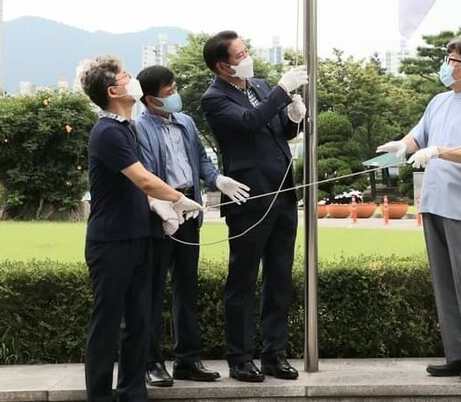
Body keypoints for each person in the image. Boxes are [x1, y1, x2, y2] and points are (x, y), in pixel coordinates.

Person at [376, 38, 461, 383]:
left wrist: (439, 151)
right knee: (444, 282)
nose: (445, 65)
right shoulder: (438, 101)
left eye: (451, 60)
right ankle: (459, 353)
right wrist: (401, 146)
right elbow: (418, 136)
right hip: (434, 202)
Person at [79, 55, 203, 402]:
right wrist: (179, 198)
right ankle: (100, 395)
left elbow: (139, 189)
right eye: (126, 76)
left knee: (139, 320)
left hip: (139, 237)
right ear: (113, 90)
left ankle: (133, 392)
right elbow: (144, 180)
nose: (132, 80)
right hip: (111, 242)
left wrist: (161, 207)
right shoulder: (108, 132)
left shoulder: (128, 127)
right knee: (108, 322)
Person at [200, 31, 308, 383]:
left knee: (279, 278)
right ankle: (240, 357)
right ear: (222, 65)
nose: (248, 57)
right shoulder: (214, 98)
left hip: (283, 193)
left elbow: (278, 130)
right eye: (240, 54)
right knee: (243, 280)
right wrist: (282, 90)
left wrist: (294, 116)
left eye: (246, 50)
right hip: (249, 197)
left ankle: (275, 354)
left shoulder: (259, 85)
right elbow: (249, 123)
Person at [135, 65, 251, 387]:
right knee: (154, 290)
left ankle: (188, 359)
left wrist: (217, 179)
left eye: (174, 88)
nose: (175, 95)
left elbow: (200, 160)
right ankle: (152, 362)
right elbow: (145, 173)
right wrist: (168, 205)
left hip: (190, 212)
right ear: (151, 99)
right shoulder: (140, 128)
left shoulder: (185, 123)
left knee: (186, 289)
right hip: (161, 216)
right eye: (169, 92)